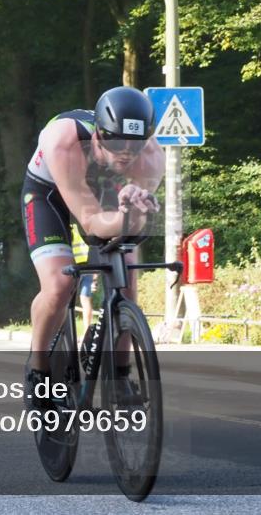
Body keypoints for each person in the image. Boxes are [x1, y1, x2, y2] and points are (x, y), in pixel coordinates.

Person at [21, 86, 164, 404]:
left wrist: (135, 213)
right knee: (60, 285)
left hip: (104, 192)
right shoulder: (63, 141)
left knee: (126, 281)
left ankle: (121, 376)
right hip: (49, 194)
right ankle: (38, 369)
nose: (126, 153)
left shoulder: (152, 156)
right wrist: (124, 215)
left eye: (135, 145)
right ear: (98, 134)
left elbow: (131, 228)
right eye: (116, 143)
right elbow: (91, 222)